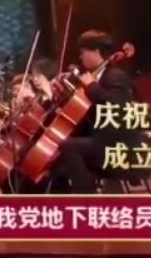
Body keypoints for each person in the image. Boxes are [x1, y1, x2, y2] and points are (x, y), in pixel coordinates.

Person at [49, 30, 139, 194]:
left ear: (96, 52)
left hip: (116, 142)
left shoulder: (115, 75)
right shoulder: (93, 78)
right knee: (56, 158)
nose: (80, 57)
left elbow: (116, 107)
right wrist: (63, 96)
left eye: (83, 52)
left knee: (69, 146)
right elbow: (84, 110)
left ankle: (88, 198)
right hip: (99, 138)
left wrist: (91, 86)